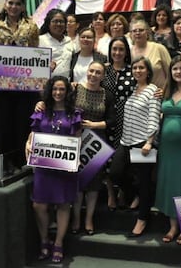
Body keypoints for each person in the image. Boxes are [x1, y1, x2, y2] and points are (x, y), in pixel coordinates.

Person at [25, 76, 82, 264]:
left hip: (64, 167)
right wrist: (28, 142)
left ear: (67, 92)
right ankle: (44, 239)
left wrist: (75, 156)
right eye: (55, 89)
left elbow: (77, 139)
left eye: (62, 90)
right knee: (38, 205)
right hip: (44, 166)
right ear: (50, 91)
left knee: (63, 205)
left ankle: (58, 243)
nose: (58, 93)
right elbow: (33, 133)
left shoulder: (74, 114)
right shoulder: (41, 110)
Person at [0, 0, 39, 173]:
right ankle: (2, 164)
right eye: (11, 3)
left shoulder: (31, 27)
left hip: (25, 86)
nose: (14, 6)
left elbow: (35, 52)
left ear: (23, 7)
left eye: (18, 3)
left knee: (21, 124)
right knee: (1, 124)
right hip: (0, 85)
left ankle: (20, 162)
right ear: (5, 5)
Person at [109, 56, 161, 237]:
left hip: (143, 142)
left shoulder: (153, 91)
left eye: (141, 68)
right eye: (135, 68)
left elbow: (154, 117)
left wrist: (149, 141)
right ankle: (135, 193)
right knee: (115, 172)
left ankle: (142, 218)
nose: (138, 71)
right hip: (126, 141)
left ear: (148, 71)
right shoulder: (133, 90)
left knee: (145, 182)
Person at [155, 55, 181, 245]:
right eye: (175, 69)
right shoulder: (165, 92)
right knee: (170, 184)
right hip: (167, 148)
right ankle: (173, 227)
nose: (178, 72)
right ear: (170, 72)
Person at [71, 61, 116, 236]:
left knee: (94, 185)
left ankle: (88, 219)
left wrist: (95, 125)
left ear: (103, 76)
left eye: (98, 72)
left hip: (97, 143)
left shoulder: (108, 95)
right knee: (78, 184)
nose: (93, 75)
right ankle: (76, 219)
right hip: (76, 140)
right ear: (86, 71)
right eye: (91, 71)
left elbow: (112, 121)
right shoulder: (74, 89)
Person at [102, 36, 136, 210]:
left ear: (126, 52)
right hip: (106, 119)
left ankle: (123, 191)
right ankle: (110, 193)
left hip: (128, 120)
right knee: (106, 157)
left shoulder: (133, 71)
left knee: (123, 160)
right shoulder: (104, 70)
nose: (117, 52)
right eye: (114, 49)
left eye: (121, 49)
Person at [130, 19, 171, 90]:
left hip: (160, 94)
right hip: (139, 95)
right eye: (134, 31)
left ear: (147, 32)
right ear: (130, 34)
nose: (137, 33)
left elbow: (170, 72)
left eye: (141, 30)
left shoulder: (159, 48)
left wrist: (165, 90)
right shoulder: (128, 52)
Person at [39, 8, 74, 78]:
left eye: (61, 21)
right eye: (55, 21)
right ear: (48, 24)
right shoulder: (40, 40)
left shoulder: (69, 41)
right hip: (45, 83)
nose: (58, 24)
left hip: (65, 85)